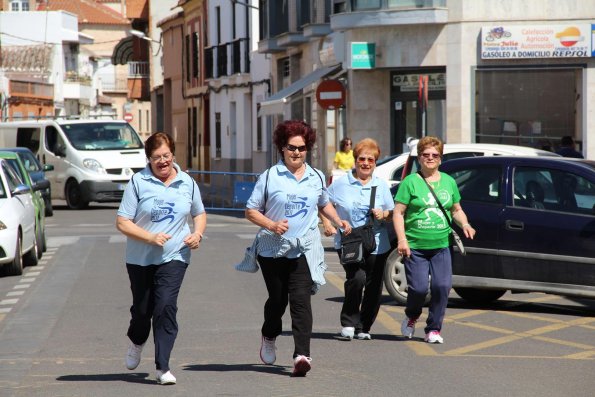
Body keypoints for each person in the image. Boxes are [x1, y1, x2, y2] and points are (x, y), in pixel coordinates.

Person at [245, 120, 351, 377]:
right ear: (282, 148)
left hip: (303, 248)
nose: (297, 153)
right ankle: (269, 335)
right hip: (272, 249)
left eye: (302, 148)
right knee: (278, 301)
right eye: (292, 148)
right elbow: (250, 210)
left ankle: (301, 354)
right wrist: (271, 224)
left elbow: (323, 203)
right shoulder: (270, 176)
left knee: (301, 300)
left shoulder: (314, 176)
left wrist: (338, 220)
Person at [116, 132, 207, 385]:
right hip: (140, 258)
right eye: (157, 157)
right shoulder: (138, 182)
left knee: (165, 306)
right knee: (143, 311)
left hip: (175, 255)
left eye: (166, 156)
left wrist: (197, 234)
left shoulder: (187, 182)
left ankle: (163, 367)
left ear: (173, 155)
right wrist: (149, 238)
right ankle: (136, 340)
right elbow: (122, 222)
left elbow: (199, 213)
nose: (162, 161)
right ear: (149, 159)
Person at [393, 136, 476, 344]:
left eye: (434, 155)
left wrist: (465, 224)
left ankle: (433, 329)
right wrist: (402, 240)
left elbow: (456, 209)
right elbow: (398, 213)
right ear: (420, 158)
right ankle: (412, 316)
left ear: (440, 159)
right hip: (415, 246)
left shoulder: (448, 181)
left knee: (442, 286)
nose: (430, 158)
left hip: (441, 245)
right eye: (426, 155)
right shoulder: (410, 182)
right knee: (419, 289)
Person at [322, 138, 394, 341]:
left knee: (373, 285)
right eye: (362, 159)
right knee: (357, 278)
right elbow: (323, 203)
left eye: (370, 160)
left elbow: (391, 212)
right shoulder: (341, 183)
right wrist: (328, 224)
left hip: (377, 241)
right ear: (355, 160)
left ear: (375, 163)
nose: (366, 163)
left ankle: (364, 326)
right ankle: (348, 322)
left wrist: (383, 214)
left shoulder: (381, 186)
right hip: (349, 240)